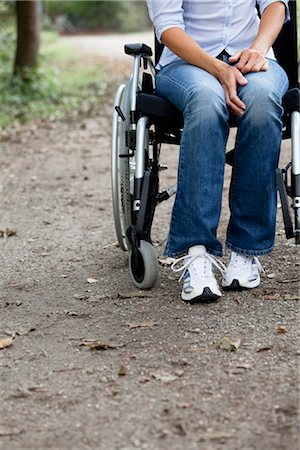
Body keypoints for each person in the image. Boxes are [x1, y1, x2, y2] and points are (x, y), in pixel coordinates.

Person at [146, 0, 290, 302]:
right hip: (186, 64)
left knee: (262, 102)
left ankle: (246, 250)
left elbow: (276, 5)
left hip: (252, 57)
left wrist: (258, 49)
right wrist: (218, 69)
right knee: (206, 102)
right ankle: (196, 253)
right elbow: (168, 27)